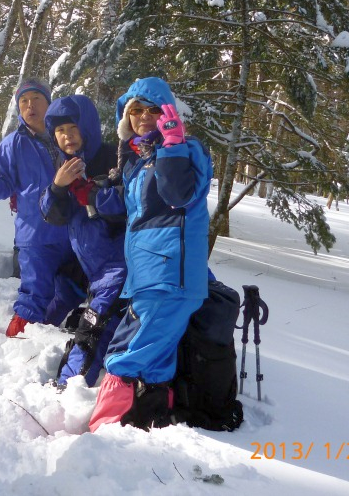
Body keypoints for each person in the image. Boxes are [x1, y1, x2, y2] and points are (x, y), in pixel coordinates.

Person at [88, 77, 215, 432]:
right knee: (156, 362)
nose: (144, 116)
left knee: (125, 355)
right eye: (136, 111)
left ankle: (103, 432)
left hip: (167, 276)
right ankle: (151, 421)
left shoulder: (187, 149)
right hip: (149, 275)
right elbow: (138, 214)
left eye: (153, 109)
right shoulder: (139, 160)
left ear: (168, 113)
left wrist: (173, 145)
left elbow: (178, 195)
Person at [40, 95, 128, 387]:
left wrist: (92, 193)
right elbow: (52, 214)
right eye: (60, 131)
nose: (67, 136)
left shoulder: (110, 159)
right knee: (86, 320)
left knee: (93, 332)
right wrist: (57, 187)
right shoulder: (67, 167)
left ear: (87, 128)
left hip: (118, 269)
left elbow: (126, 205)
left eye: (73, 128)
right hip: (93, 269)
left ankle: (69, 388)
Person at [0, 78, 75, 337]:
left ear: (49, 102)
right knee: (34, 291)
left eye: (36, 99)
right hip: (36, 233)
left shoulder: (66, 135)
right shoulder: (13, 143)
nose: (29, 105)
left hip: (74, 231)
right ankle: (18, 342)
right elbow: (1, 190)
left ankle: (54, 338)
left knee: (71, 290)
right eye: (23, 101)